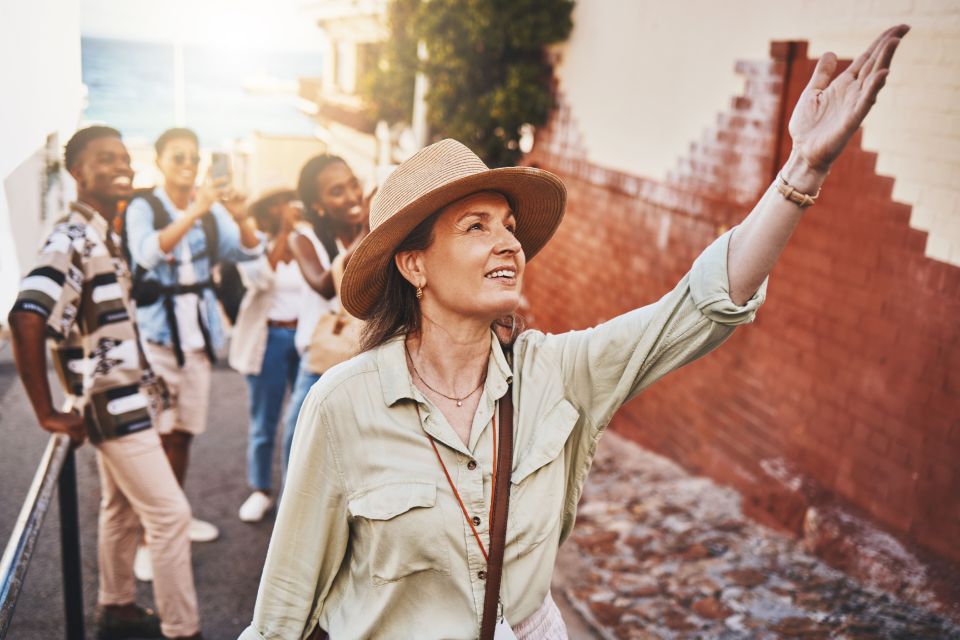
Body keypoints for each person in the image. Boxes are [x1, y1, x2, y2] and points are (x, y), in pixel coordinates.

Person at [240, 25, 909, 640]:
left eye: (508, 225)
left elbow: (698, 307)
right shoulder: (342, 407)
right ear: (414, 265)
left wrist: (803, 173)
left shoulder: (557, 375)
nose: (507, 242)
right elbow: (281, 616)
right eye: (476, 226)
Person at [7, 126, 203, 640]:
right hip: (112, 406)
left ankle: (116, 607)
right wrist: (47, 413)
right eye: (105, 159)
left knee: (119, 509)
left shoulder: (104, 234)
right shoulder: (71, 237)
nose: (122, 166)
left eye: (124, 157)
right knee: (170, 515)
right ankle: (184, 630)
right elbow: (27, 315)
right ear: (77, 172)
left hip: (128, 399)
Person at [124, 127, 263, 568]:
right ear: (160, 160)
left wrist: (239, 216)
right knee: (155, 437)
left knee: (183, 433)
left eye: (193, 157)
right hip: (156, 339)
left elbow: (248, 255)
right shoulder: (144, 207)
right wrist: (197, 209)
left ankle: (174, 518)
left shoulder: (209, 211)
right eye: (177, 156)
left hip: (198, 340)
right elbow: (146, 253)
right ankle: (150, 538)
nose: (187, 164)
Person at [278, 155, 367, 472]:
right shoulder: (303, 239)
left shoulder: (370, 234)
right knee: (299, 446)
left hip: (365, 356)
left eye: (353, 184)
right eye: (337, 191)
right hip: (322, 361)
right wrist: (368, 230)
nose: (352, 196)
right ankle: (291, 516)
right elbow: (325, 286)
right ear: (317, 205)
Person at [228, 188, 309, 522]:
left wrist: (295, 233)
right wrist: (285, 233)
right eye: (276, 203)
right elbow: (263, 279)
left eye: (287, 201)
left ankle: (299, 493)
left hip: (305, 338)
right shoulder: (253, 243)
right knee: (265, 421)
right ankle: (260, 489)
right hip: (270, 338)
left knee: (304, 419)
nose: (284, 207)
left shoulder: (308, 240)